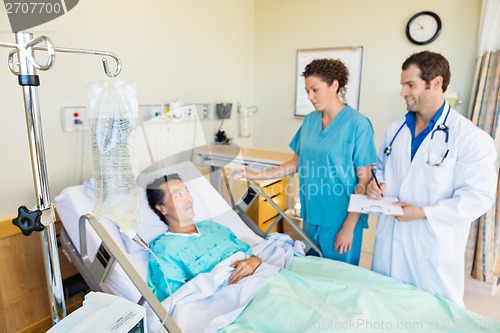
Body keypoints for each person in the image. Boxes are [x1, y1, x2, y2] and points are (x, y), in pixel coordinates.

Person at [366, 51, 497, 306]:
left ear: (436, 83)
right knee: (384, 307)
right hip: (390, 240)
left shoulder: (470, 138)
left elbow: (478, 197)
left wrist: (424, 212)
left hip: (431, 246)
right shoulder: (396, 129)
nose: (403, 92)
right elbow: (381, 166)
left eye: (410, 85)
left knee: (431, 314)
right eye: (403, 85)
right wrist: (376, 182)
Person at [240, 58, 378, 265]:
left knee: (339, 279)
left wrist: (349, 226)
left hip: (341, 218)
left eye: (315, 90)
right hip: (311, 215)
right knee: (312, 275)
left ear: (334, 85)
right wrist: (256, 175)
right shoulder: (310, 121)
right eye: (307, 91)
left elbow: (364, 180)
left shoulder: (358, 124)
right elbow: (295, 163)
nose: (309, 97)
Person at [146, 174, 262, 302]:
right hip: (231, 301)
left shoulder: (212, 227)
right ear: (162, 208)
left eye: (187, 192)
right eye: (178, 195)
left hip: (259, 280)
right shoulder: (164, 250)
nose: (188, 199)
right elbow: (176, 300)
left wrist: (254, 261)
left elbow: (248, 253)